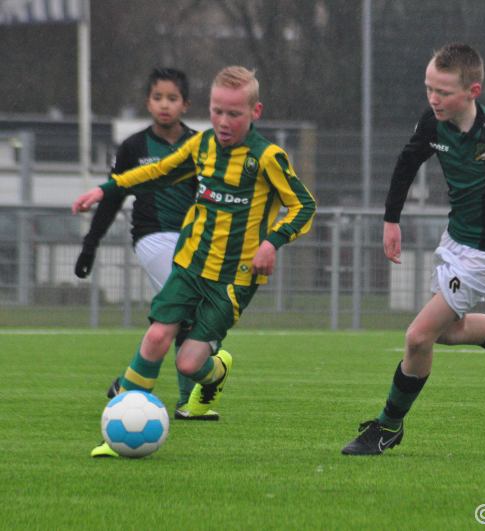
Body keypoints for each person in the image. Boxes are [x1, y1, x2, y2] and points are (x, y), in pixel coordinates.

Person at [342, 43, 485, 456]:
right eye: (429, 88)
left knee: (417, 337)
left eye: (443, 92)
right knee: (447, 332)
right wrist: (390, 220)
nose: (434, 99)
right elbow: (405, 164)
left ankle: (388, 426)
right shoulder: (432, 125)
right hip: (456, 241)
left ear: (473, 91)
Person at [73, 66, 317, 457]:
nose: (223, 121)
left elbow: (303, 205)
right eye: (217, 111)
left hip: (234, 278)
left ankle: (216, 371)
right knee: (155, 337)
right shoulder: (201, 146)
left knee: (189, 364)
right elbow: (156, 172)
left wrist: (272, 243)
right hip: (189, 264)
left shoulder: (267, 157)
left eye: (233, 114)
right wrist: (106, 189)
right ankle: (115, 435)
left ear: (255, 112)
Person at [74, 67, 219, 425]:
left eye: (172, 98)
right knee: (185, 311)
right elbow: (112, 196)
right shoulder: (134, 147)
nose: (164, 105)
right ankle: (184, 400)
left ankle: (131, 387)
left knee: (181, 317)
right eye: (158, 98)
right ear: (147, 102)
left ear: (185, 103)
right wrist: (90, 245)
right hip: (152, 238)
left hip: (193, 241)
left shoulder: (200, 145)